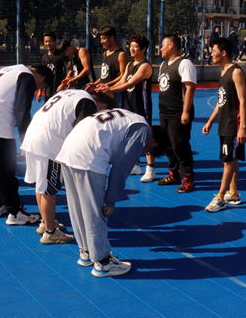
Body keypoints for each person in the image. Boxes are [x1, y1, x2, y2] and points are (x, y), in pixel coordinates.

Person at [55, 109, 169, 277]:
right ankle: (103, 262)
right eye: (147, 151)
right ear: (154, 143)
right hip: (89, 155)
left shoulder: (131, 118)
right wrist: (111, 199)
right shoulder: (143, 131)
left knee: (77, 206)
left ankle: (86, 251)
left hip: (69, 148)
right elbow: (121, 166)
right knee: (95, 211)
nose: (144, 152)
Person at [21, 90, 116, 245]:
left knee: (41, 185)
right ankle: (50, 232)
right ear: (104, 106)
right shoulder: (88, 104)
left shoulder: (74, 93)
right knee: (49, 189)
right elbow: (81, 133)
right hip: (48, 143)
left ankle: (45, 222)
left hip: (33, 136)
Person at [0, 64, 52, 225]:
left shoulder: (10, 70)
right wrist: (27, 141)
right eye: (40, 87)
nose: (37, 89)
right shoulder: (27, 76)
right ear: (42, 78)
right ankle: (14, 213)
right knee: (6, 171)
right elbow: (22, 111)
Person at [97, 33, 156, 182]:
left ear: (143, 49)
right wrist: (106, 86)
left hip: (141, 107)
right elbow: (122, 81)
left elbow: (130, 83)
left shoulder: (145, 66)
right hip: (128, 106)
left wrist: (110, 90)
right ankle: (135, 165)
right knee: (130, 135)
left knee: (147, 137)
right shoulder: (130, 65)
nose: (132, 49)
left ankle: (150, 169)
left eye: (136, 47)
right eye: (131, 46)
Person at [203, 37, 246, 212]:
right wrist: (210, 121)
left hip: (233, 124)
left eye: (214, 51)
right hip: (224, 124)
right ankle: (233, 193)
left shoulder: (236, 72)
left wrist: (242, 127)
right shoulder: (223, 72)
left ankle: (220, 197)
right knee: (232, 158)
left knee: (227, 161)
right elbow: (221, 100)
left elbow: (243, 101)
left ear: (223, 53)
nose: (212, 54)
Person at [157, 35, 197, 193]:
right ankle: (173, 174)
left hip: (178, 113)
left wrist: (185, 112)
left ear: (171, 46)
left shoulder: (184, 64)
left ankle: (188, 179)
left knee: (180, 145)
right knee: (168, 145)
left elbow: (190, 88)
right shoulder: (163, 65)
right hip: (165, 112)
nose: (161, 49)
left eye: (163, 45)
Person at [85, 26, 128, 95]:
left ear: (112, 38)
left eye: (104, 39)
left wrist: (107, 85)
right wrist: (94, 84)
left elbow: (123, 76)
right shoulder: (105, 54)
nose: (101, 42)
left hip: (115, 93)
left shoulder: (121, 55)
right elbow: (104, 76)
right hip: (103, 93)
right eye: (101, 39)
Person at [40, 32, 69, 102]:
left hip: (59, 91)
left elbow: (71, 70)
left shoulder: (61, 55)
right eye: (46, 42)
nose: (48, 44)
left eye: (50, 41)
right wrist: (40, 90)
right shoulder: (44, 57)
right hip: (48, 92)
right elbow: (42, 75)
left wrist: (63, 84)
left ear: (55, 41)